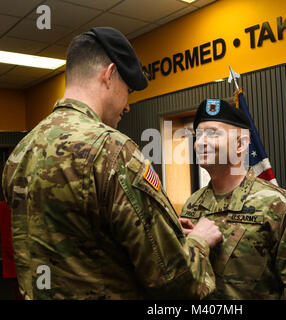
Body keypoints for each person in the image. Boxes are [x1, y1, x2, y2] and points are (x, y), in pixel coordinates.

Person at [1, 27, 222, 300]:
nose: (128, 106)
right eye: (128, 89)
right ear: (109, 75)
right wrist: (199, 240)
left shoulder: (21, 150)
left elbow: (70, 232)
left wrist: (153, 222)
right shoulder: (112, 151)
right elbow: (177, 284)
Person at [180, 98, 286, 299]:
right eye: (198, 135)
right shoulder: (191, 205)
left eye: (213, 134)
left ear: (241, 144)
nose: (201, 142)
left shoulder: (279, 206)